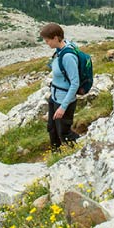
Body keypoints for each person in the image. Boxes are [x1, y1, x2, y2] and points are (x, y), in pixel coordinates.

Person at [40, 23, 81, 151]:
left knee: (64, 133)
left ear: (56, 38)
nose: (47, 43)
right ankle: (55, 155)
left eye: (48, 40)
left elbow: (75, 83)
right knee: (52, 128)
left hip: (64, 101)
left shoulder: (68, 56)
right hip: (55, 97)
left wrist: (63, 107)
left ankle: (84, 148)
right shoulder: (60, 50)